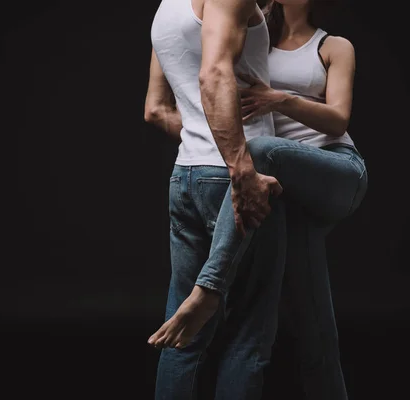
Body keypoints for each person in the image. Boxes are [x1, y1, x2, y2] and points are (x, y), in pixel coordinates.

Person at [147, 0, 368, 398]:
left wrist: (276, 101)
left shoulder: (332, 46)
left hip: (319, 167)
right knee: (293, 330)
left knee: (196, 340)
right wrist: (228, 158)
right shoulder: (245, 23)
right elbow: (202, 80)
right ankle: (209, 291)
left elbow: (338, 119)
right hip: (253, 175)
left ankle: (208, 289)